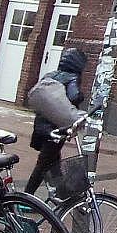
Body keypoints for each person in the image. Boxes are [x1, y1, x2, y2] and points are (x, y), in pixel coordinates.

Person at [26, 48, 86, 195]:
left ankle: (62, 193)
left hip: (42, 125)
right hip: (57, 128)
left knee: (53, 161)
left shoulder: (50, 75)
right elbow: (74, 96)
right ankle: (25, 197)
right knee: (43, 164)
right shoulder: (72, 78)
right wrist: (81, 97)